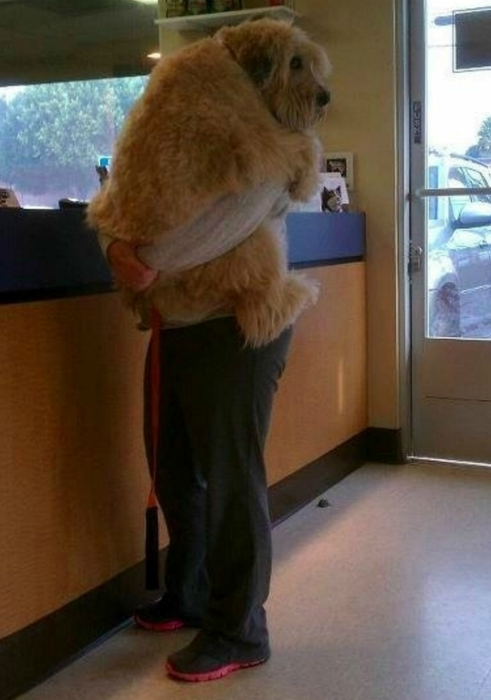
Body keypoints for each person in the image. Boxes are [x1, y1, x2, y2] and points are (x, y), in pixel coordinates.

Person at [100, 183, 297, 682]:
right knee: (171, 469)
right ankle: (191, 593)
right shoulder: (161, 138)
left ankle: (241, 630)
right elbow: (115, 202)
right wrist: (113, 245)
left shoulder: (262, 138)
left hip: (235, 320)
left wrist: (139, 256)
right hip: (177, 324)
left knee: (231, 479)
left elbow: (230, 217)